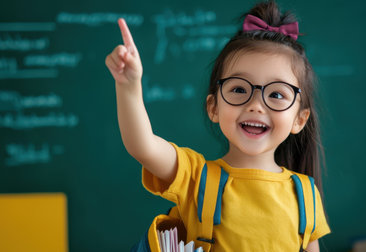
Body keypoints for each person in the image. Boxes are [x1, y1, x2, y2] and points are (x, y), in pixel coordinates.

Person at [105, 1, 331, 251]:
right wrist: (129, 86)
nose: (256, 105)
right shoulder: (195, 177)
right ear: (213, 107)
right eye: (238, 89)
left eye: (277, 95)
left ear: (299, 119)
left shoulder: (306, 197)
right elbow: (143, 146)